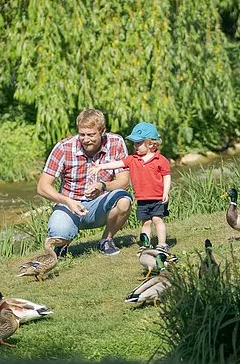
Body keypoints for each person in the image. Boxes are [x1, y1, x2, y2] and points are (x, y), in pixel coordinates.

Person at [36, 108, 133, 256]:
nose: (86, 139)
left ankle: (106, 240)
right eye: (82, 134)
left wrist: (103, 185)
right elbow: (42, 187)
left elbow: (124, 181)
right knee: (59, 232)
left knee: (124, 200)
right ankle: (62, 244)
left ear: (102, 131)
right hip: (70, 205)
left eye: (91, 134)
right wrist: (66, 201)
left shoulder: (116, 142)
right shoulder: (64, 147)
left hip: (100, 204)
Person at [89, 122, 172, 252]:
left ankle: (162, 244)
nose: (135, 146)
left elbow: (166, 176)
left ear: (150, 144)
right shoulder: (133, 159)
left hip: (157, 198)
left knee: (157, 220)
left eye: (138, 143)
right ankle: (145, 245)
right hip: (142, 199)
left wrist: (166, 192)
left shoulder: (160, 160)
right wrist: (101, 166)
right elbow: (118, 163)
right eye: (134, 143)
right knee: (146, 223)